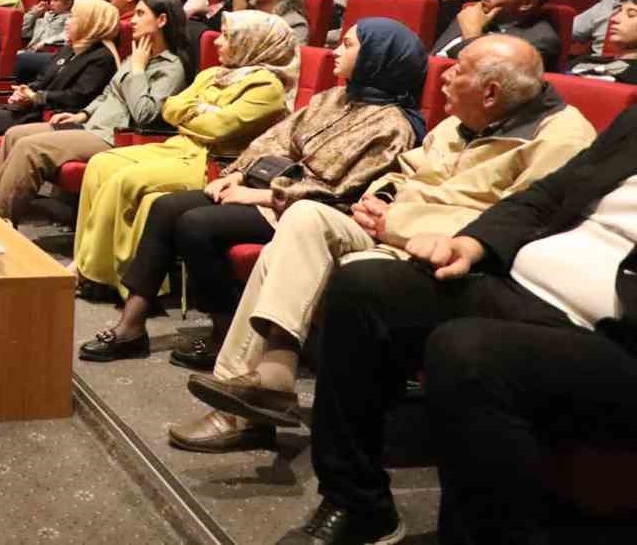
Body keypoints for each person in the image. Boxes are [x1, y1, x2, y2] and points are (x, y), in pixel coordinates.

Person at [173, 35, 596, 458]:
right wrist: (382, 198)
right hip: (390, 227)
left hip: (446, 254)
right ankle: (272, 376)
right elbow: (406, 171)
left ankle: (246, 412)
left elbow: (515, 224)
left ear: (490, 92)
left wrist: (397, 222)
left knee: (328, 267)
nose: (443, 76)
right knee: (303, 218)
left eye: (458, 70)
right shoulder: (461, 121)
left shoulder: (560, 140)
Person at [274, 105, 637, 545]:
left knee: (468, 350)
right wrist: (472, 243)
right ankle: (357, 503)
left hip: (612, 334)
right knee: (364, 286)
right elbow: (550, 193)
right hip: (523, 284)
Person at [91, 19, 426, 379]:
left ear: (377, 57)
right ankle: (132, 324)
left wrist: (258, 194)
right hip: (269, 187)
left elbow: (341, 190)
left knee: (196, 225)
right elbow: (276, 139)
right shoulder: (333, 98)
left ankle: (222, 332)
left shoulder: (392, 125)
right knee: (166, 207)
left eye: (348, 45)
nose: (335, 52)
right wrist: (237, 172)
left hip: (312, 210)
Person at [72, 10, 297, 303]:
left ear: (252, 42)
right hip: (179, 145)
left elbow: (219, 129)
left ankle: (103, 276)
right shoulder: (213, 74)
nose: (217, 42)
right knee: (101, 163)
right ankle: (86, 263)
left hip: (214, 163)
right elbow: (170, 107)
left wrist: (195, 113)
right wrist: (202, 113)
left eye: (228, 36)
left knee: (126, 180)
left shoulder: (267, 87)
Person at [0, 0, 120, 194]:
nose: (67, 21)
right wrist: (24, 90)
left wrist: (36, 96)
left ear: (91, 23)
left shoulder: (102, 57)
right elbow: (43, 78)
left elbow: (78, 97)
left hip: (55, 114)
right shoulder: (70, 48)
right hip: (34, 106)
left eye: (74, 17)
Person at [432, 0, 560, 69]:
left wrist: (472, 36)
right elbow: (433, 58)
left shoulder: (537, 42)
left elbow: (487, 81)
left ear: (526, 3)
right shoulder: (473, 12)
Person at [567, 0, 637, 84]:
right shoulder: (584, 60)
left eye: (631, 14)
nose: (614, 19)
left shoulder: (632, 76)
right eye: (619, 11)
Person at [16, 0, 75, 83]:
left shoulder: (70, 19)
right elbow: (23, 32)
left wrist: (45, 42)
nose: (51, 3)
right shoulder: (44, 17)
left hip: (48, 54)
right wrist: (33, 14)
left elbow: (66, 35)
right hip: (30, 51)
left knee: (20, 58)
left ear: (68, 3)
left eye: (56, 0)